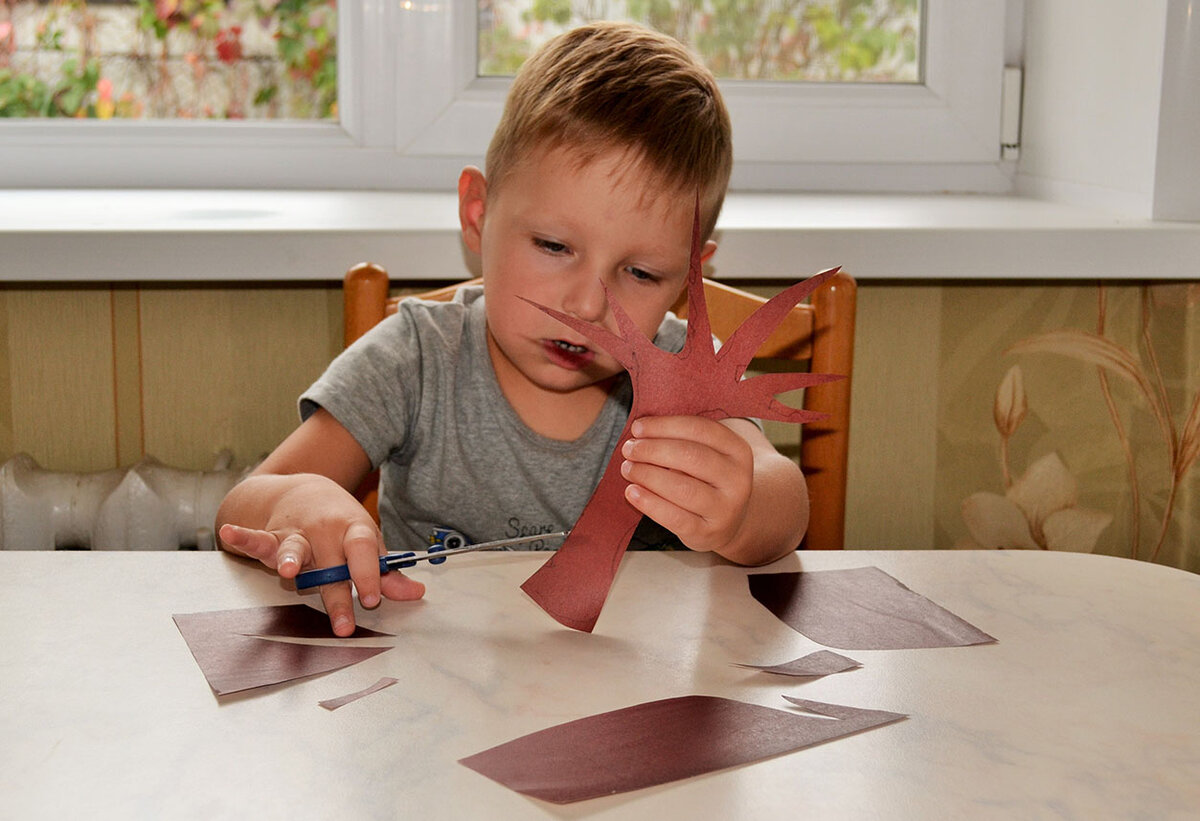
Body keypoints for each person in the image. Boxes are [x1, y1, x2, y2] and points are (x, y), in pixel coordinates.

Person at [216, 21, 809, 636]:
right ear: (479, 216)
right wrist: (298, 504)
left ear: (688, 278)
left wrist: (742, 512)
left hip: (625, 698)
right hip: (437, 692)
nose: (585, 305)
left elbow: (783, 505)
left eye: (639, 272)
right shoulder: (416, 358)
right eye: (554, 246)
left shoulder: (685, 373)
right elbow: (244, 506)